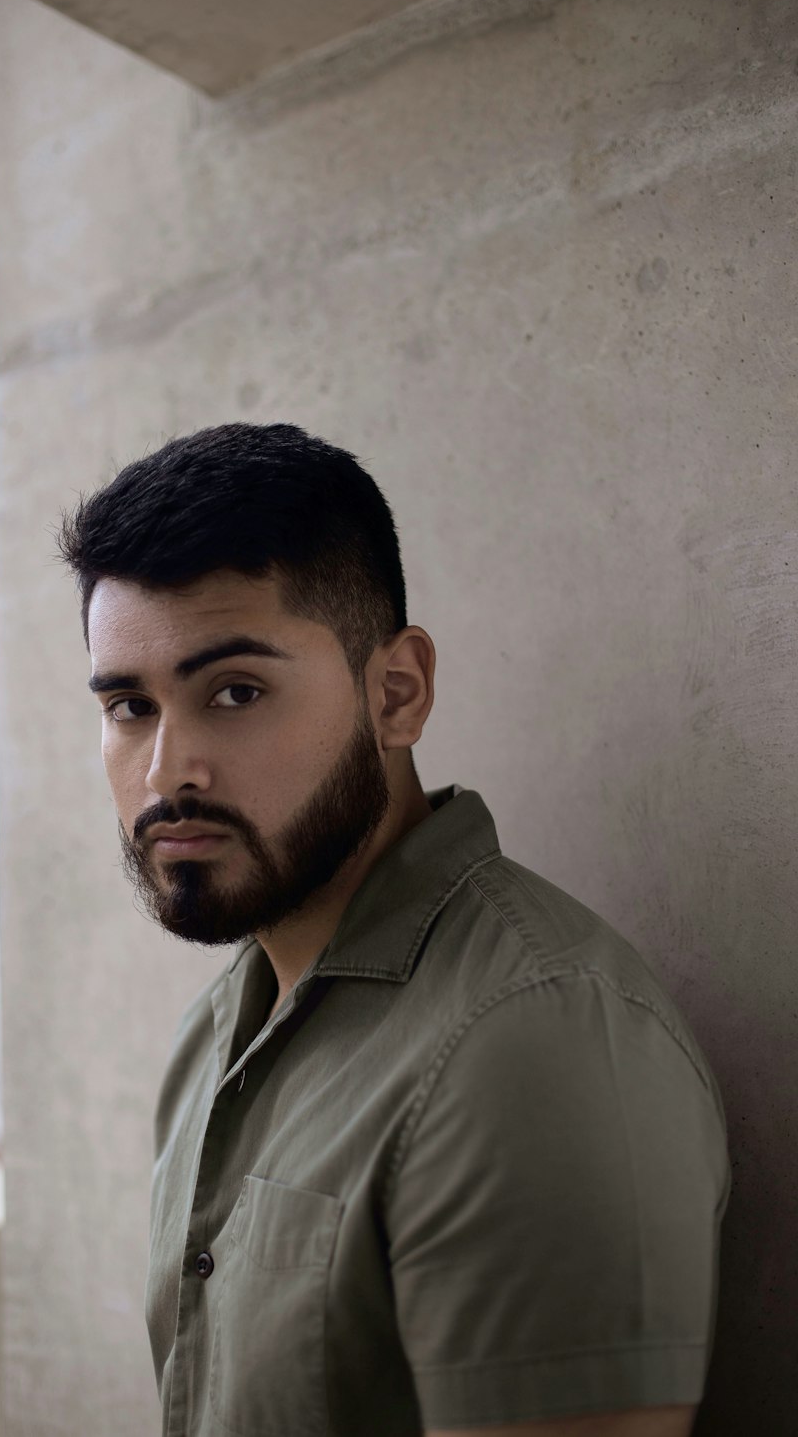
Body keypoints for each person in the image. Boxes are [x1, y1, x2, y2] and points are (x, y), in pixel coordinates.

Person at [57, 422, 730, 1437]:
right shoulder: (218, 1032)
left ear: (396, 692)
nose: (167, 773)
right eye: (130, 707)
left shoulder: (531, 1043)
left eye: (234, 692)